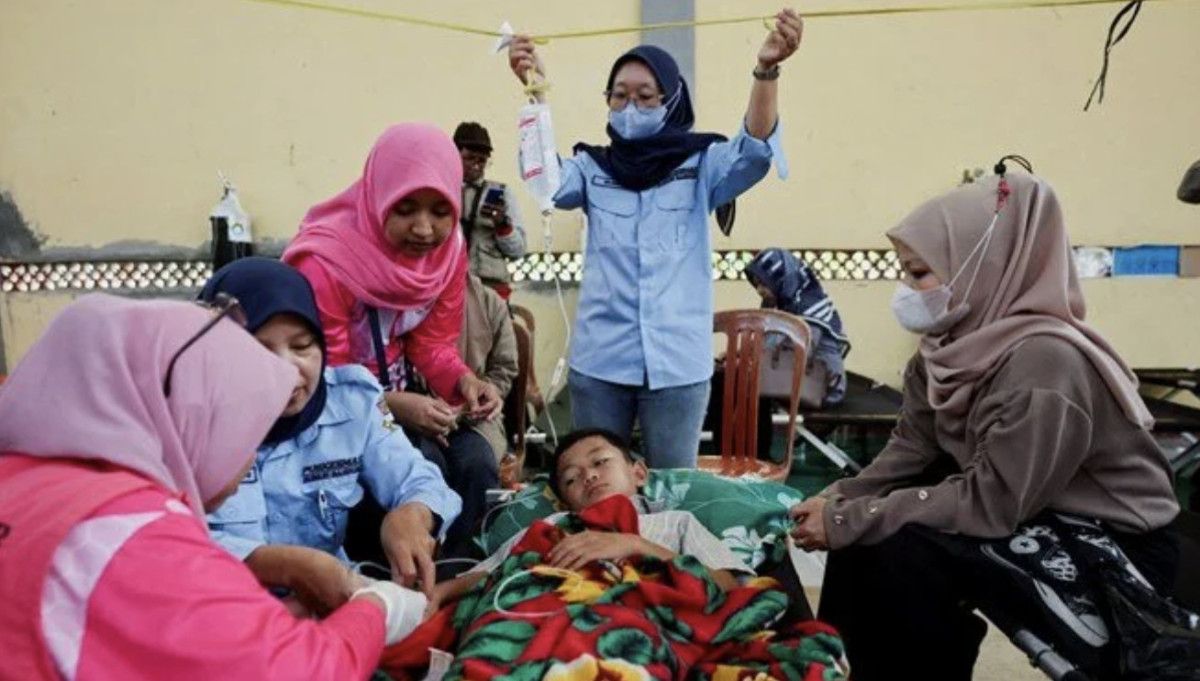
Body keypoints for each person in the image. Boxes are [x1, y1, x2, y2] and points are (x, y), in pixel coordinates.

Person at [788, 173, 1181, 680]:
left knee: (900, 548)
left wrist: (853, 518)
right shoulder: (944, 351)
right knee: (866, 538)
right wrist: (838, 499)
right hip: (1032, 510)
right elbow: (913, 448)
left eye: (919, 274)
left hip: (1116, 545)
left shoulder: (1045, 365)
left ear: (980, 269)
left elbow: (989, 504)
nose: (906, 291)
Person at [0, 295, 427, 679]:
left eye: (301, 346)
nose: (248, 460)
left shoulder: (24, 479)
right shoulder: (133, 532)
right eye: (243, 431)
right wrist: (378, 610)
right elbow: (300, 671)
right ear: (187, 416)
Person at [507, 9, 802, 468]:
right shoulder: (592, 169)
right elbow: (546, 183)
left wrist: (766, 70)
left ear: (671, 99)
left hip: (677, 366)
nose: (631, 108)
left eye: (646, 97)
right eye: (619, 96)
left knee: (672, 486)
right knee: (596, 487)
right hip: (601, 363)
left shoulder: (700, 165)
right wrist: (535, 94)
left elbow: (754, 153)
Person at [282, 123, 501, 560]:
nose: (424, 229)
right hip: (336, 412)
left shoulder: (448, 254)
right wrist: (395, 406)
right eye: (405, 209)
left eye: (440, 211)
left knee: (477, 461)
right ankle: (393, 579)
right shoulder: (326, 261)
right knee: (423, 466)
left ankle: (455, 576)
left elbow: (432, 345)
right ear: (379, 196)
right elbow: (325, 376)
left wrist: (465, 382)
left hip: (404, 403)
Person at [200, 258, 462, 608]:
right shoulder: (187, 424)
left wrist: (413, 515)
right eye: (261, 350)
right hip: (227, 613)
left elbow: (418, 476)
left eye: (302, 346)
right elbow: (166, 542)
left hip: (333, 605)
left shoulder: (354, 403)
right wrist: (285, 567)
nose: (289, 369)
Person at [426, 428, 750, 612]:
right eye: (571, 478)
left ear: (639, 473)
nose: (589, 476)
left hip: (645, 627)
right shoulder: (551, 527)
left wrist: (636, 545)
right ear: (565, 501)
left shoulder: (675, 524)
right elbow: (490, 573)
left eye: (600, 462)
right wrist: (436, 594)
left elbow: (733, 587)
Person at [745, 247, 850, 405]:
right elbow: (766, 341)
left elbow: (797, 352)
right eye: (757, 284)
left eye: (764, 284)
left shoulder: (809, 308)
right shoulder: (783, 304)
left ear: (782, 280)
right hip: (788, 382)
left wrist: (751, 360)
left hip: (820, 388)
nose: (760, 290)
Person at [453, 121, 527, 299]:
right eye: (470, 158)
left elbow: (518, 250)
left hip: (492, 290)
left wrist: (503, 226)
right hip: (450, 286)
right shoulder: (442, 190)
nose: (477, 166)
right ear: (453, 155)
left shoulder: (502, 193)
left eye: (482, 160)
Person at [457, 272, 519, 462]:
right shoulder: (399, 302)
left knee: (476, 462)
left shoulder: (489, 302)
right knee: (420, 463)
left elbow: (504, 367)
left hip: (476, 417)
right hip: (413, 417)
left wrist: (482, 394)